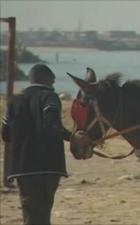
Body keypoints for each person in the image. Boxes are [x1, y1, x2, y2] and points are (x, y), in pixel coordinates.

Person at [1, 64, 91, 225]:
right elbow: (51, 126)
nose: (54, 83)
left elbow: (6, 134)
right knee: (43, 210)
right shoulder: (50, 97)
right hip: (48, 164)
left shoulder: (14, 101)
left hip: (22, 167)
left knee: (29, 210)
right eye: (53, 80)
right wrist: (73, 137)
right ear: (46, 78)